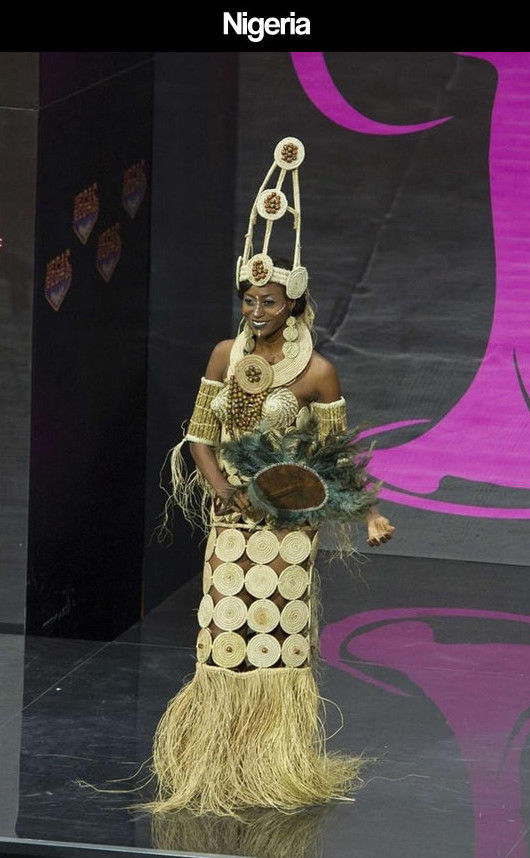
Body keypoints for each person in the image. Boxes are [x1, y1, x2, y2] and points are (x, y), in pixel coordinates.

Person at [149, 138, 395, 818]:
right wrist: (225, 490)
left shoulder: (318, 372)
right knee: (224, 632)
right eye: (250, 300)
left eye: (271, 302)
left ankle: (274, 766)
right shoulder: (224, 355)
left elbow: (335, 454)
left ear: (294, 304)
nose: (258, 311)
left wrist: (367, 512)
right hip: (232, 518)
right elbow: (201, 435)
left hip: (288, 521)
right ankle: (216, 764)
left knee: (276, 634)